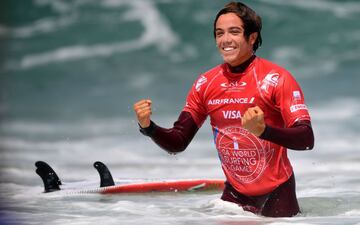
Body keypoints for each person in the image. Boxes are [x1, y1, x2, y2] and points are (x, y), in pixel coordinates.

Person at [133, 2, 314, 217]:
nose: (225, 40)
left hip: (278, 193)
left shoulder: (276, 79)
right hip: (235, 195)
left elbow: (306, 139)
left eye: (234, 32)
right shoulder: (206, 83)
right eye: (220, 33)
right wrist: (149, 127)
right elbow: (178, 141)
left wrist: (264, 131)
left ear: (252, 37)